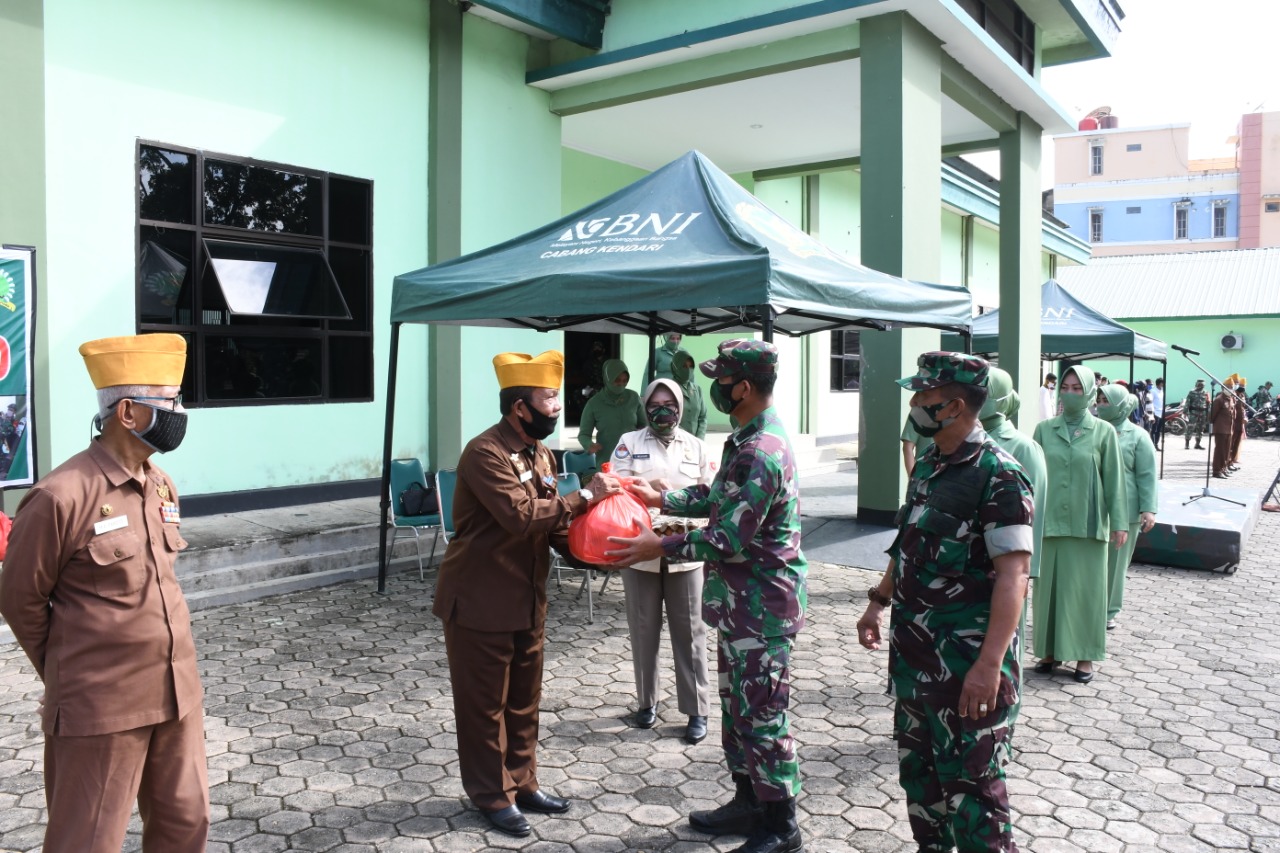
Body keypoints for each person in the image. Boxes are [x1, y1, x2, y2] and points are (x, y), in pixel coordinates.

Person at [0, 333, 209, 853]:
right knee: (86, 840)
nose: (180, 413)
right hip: (102, 705)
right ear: (129, 413)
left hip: (177, 693)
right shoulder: (59, 496)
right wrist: (72, 672)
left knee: (186, 825)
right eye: (170, 402)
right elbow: (20, 599)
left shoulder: (160, 484)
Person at [608, 339, 807, 853]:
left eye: (722, 380)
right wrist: (663, 496)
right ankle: (749, 801)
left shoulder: (761, 451)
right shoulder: (746, 440)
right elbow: (717, 497)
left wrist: (660, 543)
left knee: (763, 716)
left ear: (744, 387)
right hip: (741, 606)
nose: (713, 387)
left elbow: (728, 536)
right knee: (738, 711)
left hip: (762, 608)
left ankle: (781, 825)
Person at [430, 350, 621, 838]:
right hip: (480, 599)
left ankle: (523, 782)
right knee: (483, 706)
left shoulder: (541, 453)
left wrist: (599, 550)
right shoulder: (484, 453)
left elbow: (552, 527)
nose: (556, 406)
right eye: (549, 398)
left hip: (527, 598)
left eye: (556, 397)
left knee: (523, 701)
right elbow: (520, 516)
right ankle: (492, 794)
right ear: (520, 406)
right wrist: (586, 496)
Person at [858, 352, 1034, 853]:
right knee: (921, 780)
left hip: (966, 668)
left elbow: (1015, 577)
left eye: (923, 395)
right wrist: (877, 602)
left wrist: (989, 666)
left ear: (954, 406)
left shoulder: (1000, 475)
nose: (914, 402)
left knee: (975, 792)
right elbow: (908, 543)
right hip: (916, 660)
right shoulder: (929, 462)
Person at [610, 378, 714, 744]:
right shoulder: (629, 442)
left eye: (669, 404)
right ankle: (647, 702)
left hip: (685, 551)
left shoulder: (697, 447)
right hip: (640, 550)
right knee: (643, 629)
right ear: (645, 407)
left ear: (681, 407)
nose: (662, 411)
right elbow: (617, 486)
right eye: (654, 405)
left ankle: (697, 709)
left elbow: (711, 495)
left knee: (691, 632)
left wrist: (667, 495)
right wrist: (650, 489)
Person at [1031, 366, 1127, 683]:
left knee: (1087, 593)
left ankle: (1085, 656)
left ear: (1089, 394)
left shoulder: (1103, 432)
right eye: (1065, 387)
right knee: (1049, 590)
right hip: (1049, 524)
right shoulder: (1044, 430)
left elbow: (1114, 480)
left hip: (1089, 526)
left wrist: (1120, 523)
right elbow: (1031, 477)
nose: (1069, 394)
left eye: (1077, 389)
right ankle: (1049, 652)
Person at [1095, 385, 1157, 630]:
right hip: (1094, 506)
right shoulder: (1092, 429)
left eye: (1107, 401)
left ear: (1121, 406)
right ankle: (1088, 607)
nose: (1101, 405)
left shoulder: (1138, 435)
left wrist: (1148, 508)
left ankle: (1108, 611)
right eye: (1099, 400)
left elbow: (1147, 474)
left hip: (1126, 510)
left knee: (1116, 564)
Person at [578, 358, 645, 471]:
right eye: (617, 380)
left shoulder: (633, 398)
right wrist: (590, 445)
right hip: (607, 461)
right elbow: (583, 435)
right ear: (607, 378)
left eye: (625, 381)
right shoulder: (594, 403)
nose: (621, 384)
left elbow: (644, 426)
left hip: (633, 460)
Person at [671, 348, 708, 439]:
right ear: (675, 367)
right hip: (677, 440)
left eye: (691, 366)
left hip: (696, 441)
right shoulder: (669, 388)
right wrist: (686, 439)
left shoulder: (697, 390)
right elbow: (669, 419)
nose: (688, 369)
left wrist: (699, 438)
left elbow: (703, 417)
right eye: (684, 366)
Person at [1209, 381, 1238, 479]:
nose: (1231, 389)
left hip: (1229, 429)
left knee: (1226, 451)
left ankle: (1223, 469)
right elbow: (1212, 415)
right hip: (1220, 429)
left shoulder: (1230, 399)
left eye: (1232, 387)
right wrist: (1212, 427)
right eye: (1229, 387)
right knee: (1220, 450)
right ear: (1223, 388)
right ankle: (1217, 471)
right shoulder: (1219, 399)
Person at [1183, 379, 1210, 450]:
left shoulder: (1206, 392)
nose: (1201, 386)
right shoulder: (1192, 392)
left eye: (1202, 385)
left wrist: (1208, 413)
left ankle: (1197, 444)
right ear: (1196, 384)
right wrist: (1185, 411)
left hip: (1203, 413)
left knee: (1201, 429)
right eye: (1199, 385)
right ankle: (1187, 444)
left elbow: (1208, 403)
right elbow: (1187, 402)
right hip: (1194, 412)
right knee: (1190, 428)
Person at [1149, 377, 1165, 448]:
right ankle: (1152, 445)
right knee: (1154, 430)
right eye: (1163, 383)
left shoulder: (1162, 391)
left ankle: (1156, 444)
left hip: (1161, 413)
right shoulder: (1153, 391)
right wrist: (1152, 414)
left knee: (1158, 430)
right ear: (1159, 383)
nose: (1164, 384)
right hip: (1155, 412)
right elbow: (1150, 402)